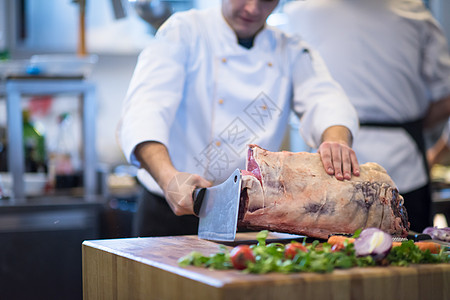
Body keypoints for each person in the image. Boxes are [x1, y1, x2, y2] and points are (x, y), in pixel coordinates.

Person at [118, 0, 360, 237]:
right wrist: (167, 177)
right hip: (170, 211)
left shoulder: (291, 49)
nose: (253, 9)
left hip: (247, 218)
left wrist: (336, 140)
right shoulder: (184, 31)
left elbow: (325, 100)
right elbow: (145, 108)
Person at [284, 0, 450, 232]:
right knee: (409, 258)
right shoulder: (415, 12)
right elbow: (445, 99)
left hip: (331, 171)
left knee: (330, 256)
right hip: (402, 160)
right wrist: (417, 132)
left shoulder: (297, 12)